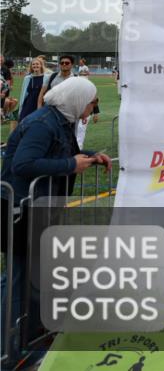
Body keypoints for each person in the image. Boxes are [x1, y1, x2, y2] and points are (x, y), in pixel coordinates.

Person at [0, 77, 111, 367]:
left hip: (37, 208)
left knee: (34, 276)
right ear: (76, 100)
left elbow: (61, 153)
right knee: (18, 279)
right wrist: (72, 165)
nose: (92, 107)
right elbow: (22, 164)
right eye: (91, 101)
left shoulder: (59, 122)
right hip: (21, 209)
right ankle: (9, 352)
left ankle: (29, 339)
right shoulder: (42, 123)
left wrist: (90, 156)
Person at [73, 65, 99, 149]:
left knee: (81, 129)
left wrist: (96, 113)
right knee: (73, 130)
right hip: (74, 112)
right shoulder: (74, 85)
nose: (83, 76)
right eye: (81, 74)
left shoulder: (91, 86)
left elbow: (94, 100)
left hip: (86, 112)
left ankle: (79, 148)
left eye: (85, 74)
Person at [17, 57, 49, 122]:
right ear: (31, 66)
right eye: (33, 64)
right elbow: (23, 94)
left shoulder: (46, 77)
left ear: (41, 65)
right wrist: (21, 107)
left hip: (41, 104)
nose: (35, 66)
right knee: (24, 121)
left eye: (37, 64)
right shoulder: (27, 78)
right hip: (29, 104)